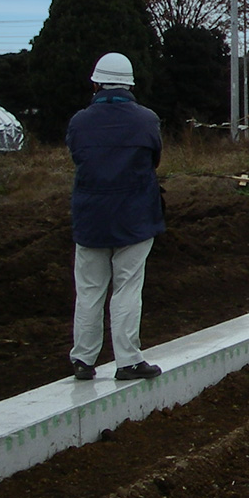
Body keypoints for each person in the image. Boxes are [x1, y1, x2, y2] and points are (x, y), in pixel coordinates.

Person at [66, 52, 165, 381]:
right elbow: (154, 159)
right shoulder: (147, 120)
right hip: (135, 217)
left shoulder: (79, 121)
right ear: (130, 85)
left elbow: (78, 157)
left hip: (91, 219)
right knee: (127, 288)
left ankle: (83, 359)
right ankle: (128, 361)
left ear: (96, 83)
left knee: (90, 289)